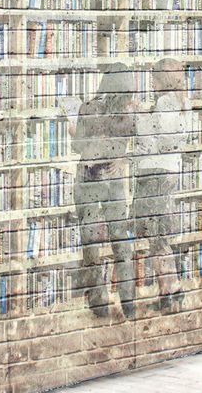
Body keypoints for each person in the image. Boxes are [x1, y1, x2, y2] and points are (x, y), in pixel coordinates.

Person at [130, 60, 192, 315]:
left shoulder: (167, 103)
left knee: (157, 237)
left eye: (154, 77)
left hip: (156, 172)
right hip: (165, 170)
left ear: (163, 79)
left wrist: (138, 115)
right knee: (158, 237)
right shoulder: (178, 101)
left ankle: (171, 288)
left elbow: (160, 139)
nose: (151, 82)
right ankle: (168, 289)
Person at [75, 67, 137, 319]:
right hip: (107, 180)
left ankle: (102, 302)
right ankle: (127, 304)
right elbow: (147, 144)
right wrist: (123, 157)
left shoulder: (89, 108)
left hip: (92, 178)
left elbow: (77, 146)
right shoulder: (127, 114)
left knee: (93, 242)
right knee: (118, 241)